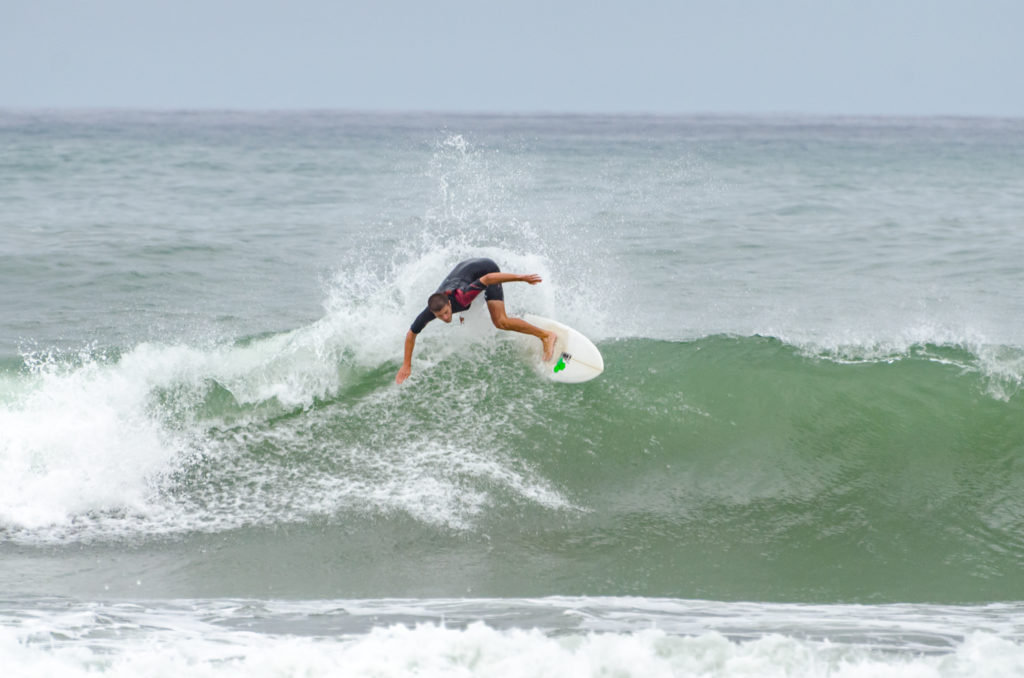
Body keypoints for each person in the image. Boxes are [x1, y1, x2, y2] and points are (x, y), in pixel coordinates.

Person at [395, 257, 556, 384]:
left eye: (446, 312)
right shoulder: (431, 310)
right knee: (465, 315)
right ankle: (517, 316)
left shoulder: (462, 296)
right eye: (440, 316)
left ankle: (546, 336)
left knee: (500, 321)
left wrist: (521, 278)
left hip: (486, 269)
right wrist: (406, 364)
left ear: (449, 303)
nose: (445, 318)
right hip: (465, 270)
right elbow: (411, 333)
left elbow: (487, 278)